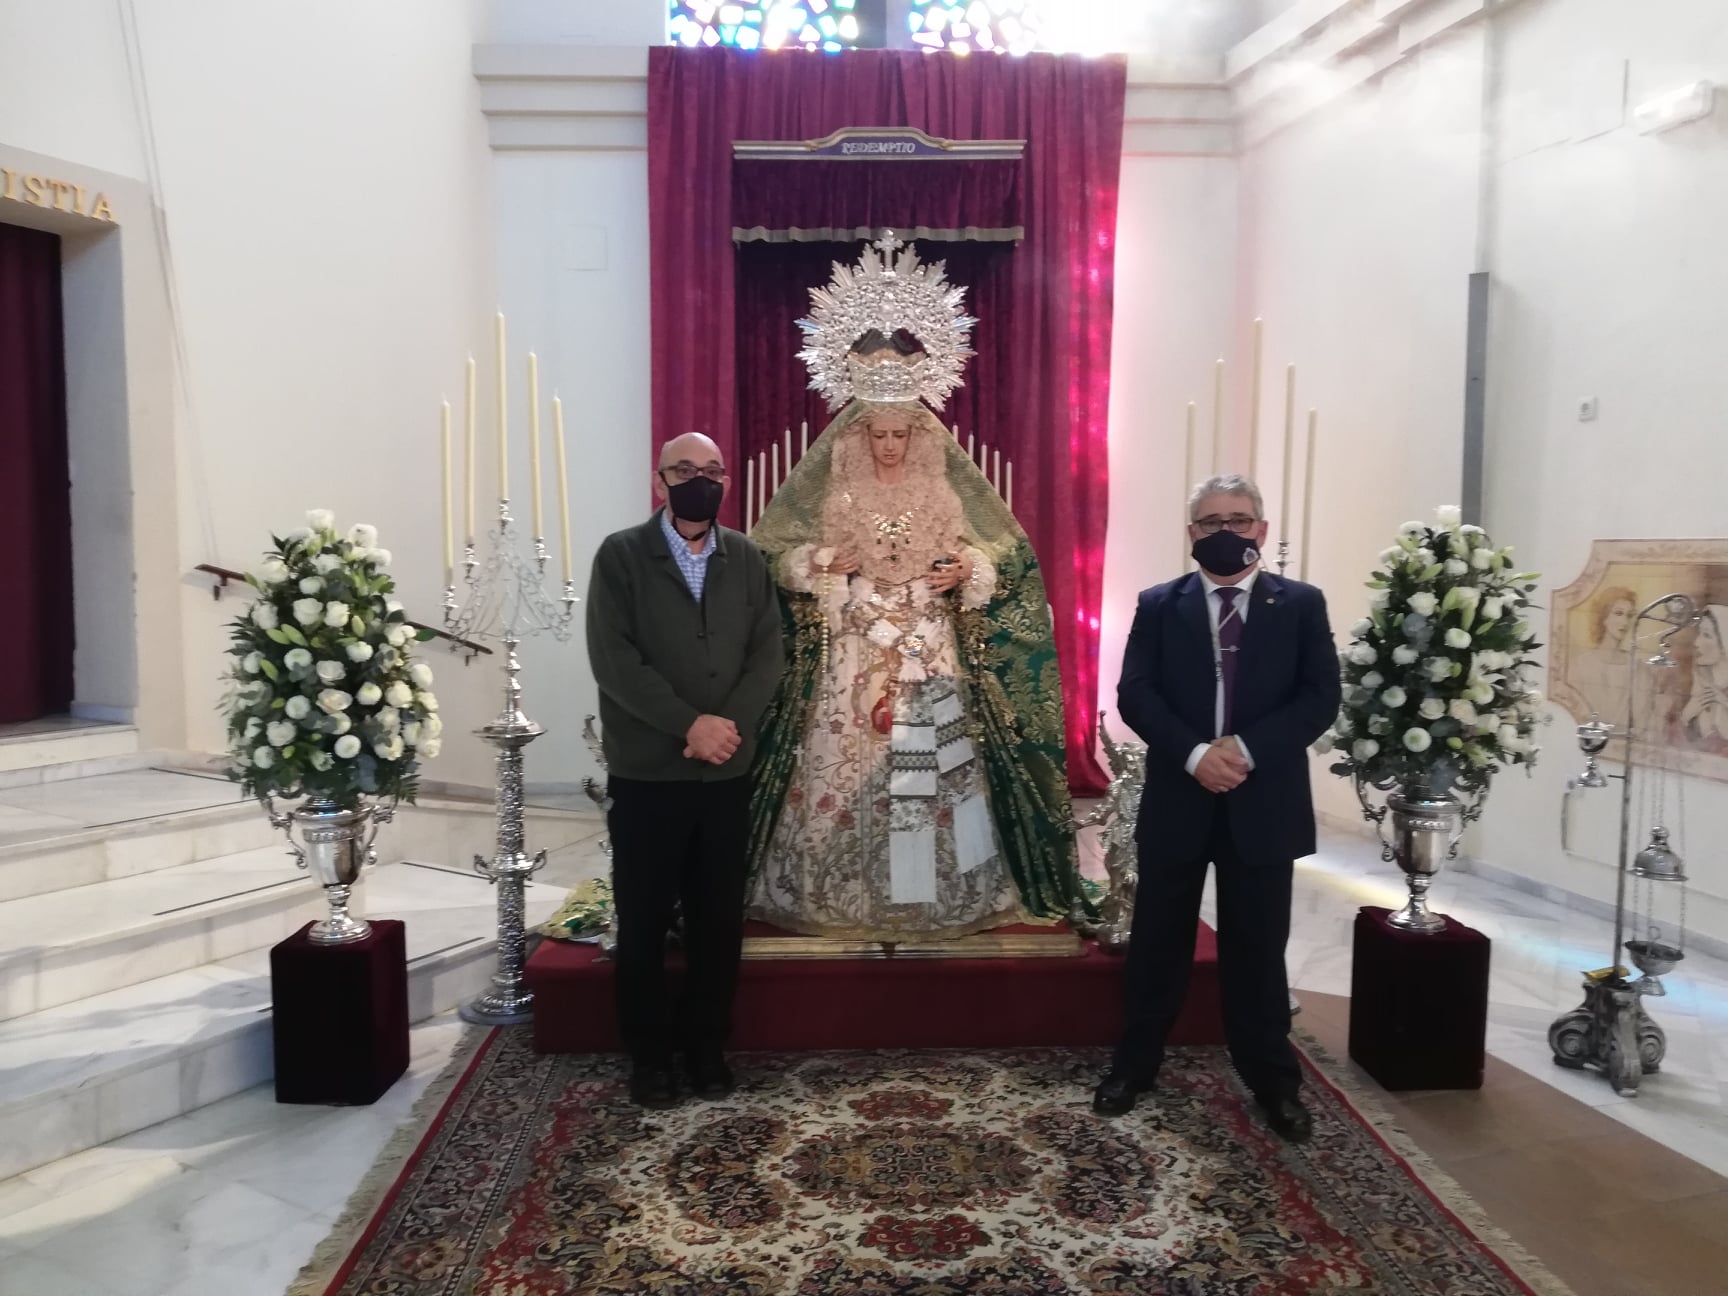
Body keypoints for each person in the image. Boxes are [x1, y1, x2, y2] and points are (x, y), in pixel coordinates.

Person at [744, 235, 1087, 942]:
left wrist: (969, 568)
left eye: (901, 434)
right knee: (845, 757)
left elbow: (1001, 547)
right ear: (859, 431)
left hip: (928, 643)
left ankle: (935, 892)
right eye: (878, 435)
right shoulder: (832, 483)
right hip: (853, 643)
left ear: (918, 432)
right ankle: (834, 887)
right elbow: (770, 550)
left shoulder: (943, 484)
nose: (890, 447)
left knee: (935, 763)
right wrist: (817, 561)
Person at [1093, 474, 1341, 1143]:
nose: (1224, 532)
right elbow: (1136, 693)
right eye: (1210, 522)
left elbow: (1320, 697)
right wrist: (1196, 754)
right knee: (1158, 942)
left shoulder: (1301, 604)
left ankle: (1272, 1081)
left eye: (1237, 520)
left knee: (1258, 948)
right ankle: (1134, 1065)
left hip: (1266, 801)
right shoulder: (1158, 604)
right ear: (1191, 533)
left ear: (1261, 528)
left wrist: (1247, 751)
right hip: (1181, 793)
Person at [586, 432, 784, 1108]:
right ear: (660, 480)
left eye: (712, 470)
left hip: (724, 773)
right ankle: (649, 1056)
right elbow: (614, 659)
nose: (701, 480)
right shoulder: (621, 555)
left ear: (725, 481)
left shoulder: (747, 558)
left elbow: (768, 653)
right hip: (649, 772)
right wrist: (687, 725)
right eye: (685, 469)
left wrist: (724, 727)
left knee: (717, 918)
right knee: (642, 919)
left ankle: (706, 1048)